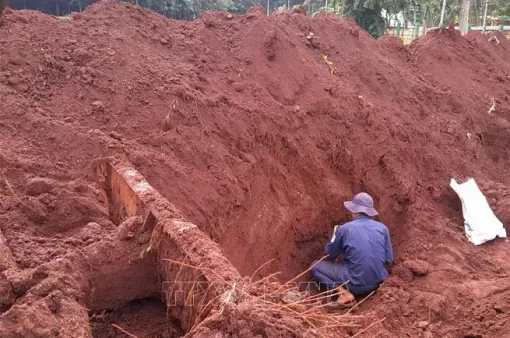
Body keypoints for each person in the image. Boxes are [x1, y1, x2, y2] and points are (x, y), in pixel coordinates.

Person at [311, 192, 393, 308]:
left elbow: (330, 255)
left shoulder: (344, 229)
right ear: (369, 212)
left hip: (354, 284)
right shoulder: (383, 228)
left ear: (353, 210)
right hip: (378, 282)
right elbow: (388, 260)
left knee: (315, 266)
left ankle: (344, 294)